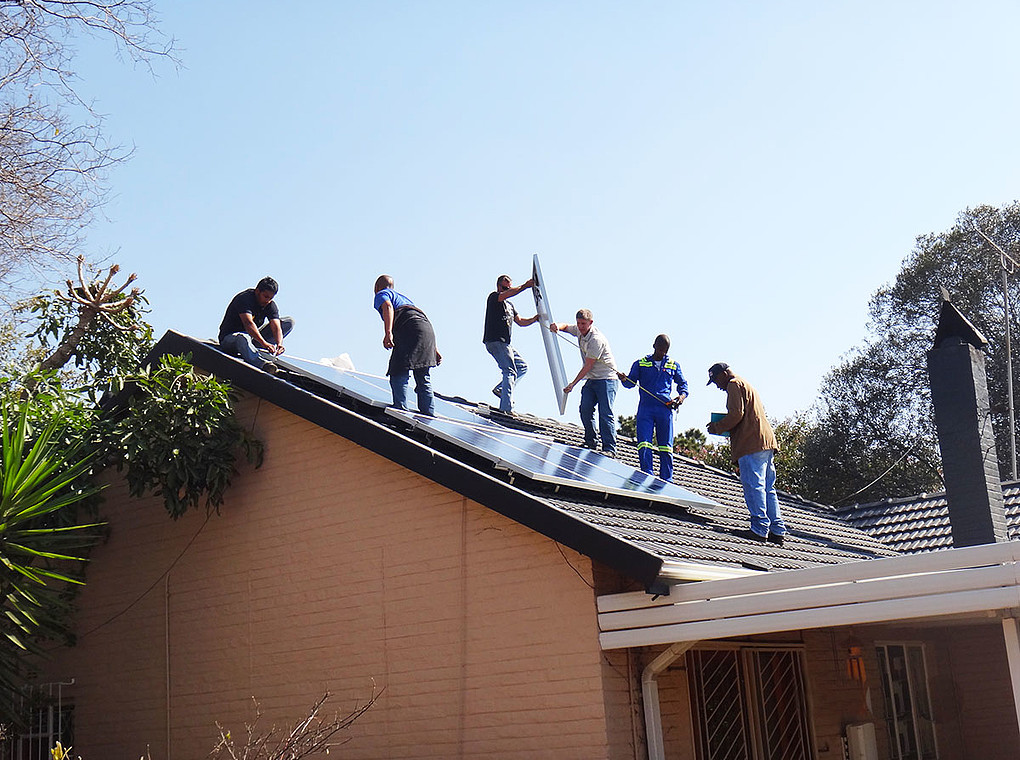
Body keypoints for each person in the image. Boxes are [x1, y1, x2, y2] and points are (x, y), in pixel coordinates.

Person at [705, 362, 787, 546]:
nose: (717, 386)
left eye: (716, 379)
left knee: (754, 485)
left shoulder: (733, 384)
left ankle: (759, 529)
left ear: (725, 373)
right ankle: (777, 530)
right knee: (768, 488)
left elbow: (736, 415)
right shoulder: (747, 384)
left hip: (751, 443)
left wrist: (717, 427)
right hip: (765, 442)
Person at [617, 334, 688, 481]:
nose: (662, 353)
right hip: (646, 409)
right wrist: (624, 379)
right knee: (644, 442)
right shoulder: (641, 363)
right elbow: (630, 383)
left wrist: (680, 398)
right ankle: (647, 473)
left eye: (665, 350)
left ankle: (666, 479)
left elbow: (683, 385)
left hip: (665, 409)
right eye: (660, 349)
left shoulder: (673, 364)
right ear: (654, 346)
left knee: (666, 446)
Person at [551, 309, 619, 455]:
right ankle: (591, 441)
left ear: (590, 323)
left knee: (605, 412)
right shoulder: (579, 330)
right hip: (592, 379)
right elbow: (566, 327)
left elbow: (588, 366)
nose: (580, 326)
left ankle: (610, 448)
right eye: (578, 323)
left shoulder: (596, 340)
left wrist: (572, 384)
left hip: (606, 379)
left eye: (583, 324)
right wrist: (557, 326)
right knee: (585, 408)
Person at [373, 275, 441, 415]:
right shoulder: (405, 299)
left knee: (398, 369)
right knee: (423, 376)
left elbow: (387, 306)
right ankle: (428, 416)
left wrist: (388, 332)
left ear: (377, 287)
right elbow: (420, 321)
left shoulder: (382, 294)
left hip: (410, 330)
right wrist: (434, 348)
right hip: (427, 332)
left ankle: (400, 411)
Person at [483, 274, 538, 412]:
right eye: (504, 288)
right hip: (496, 341)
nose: (506, 290)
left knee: (522, 367)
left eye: (508, 288)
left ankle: (502, 388)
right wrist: (525, 286)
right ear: (498, 286)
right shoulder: (494, 297)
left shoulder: (510, 305)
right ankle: (506, 408)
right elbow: (509, 294)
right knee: (509, 370)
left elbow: (520, 321)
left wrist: (535, 319)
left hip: (506, 344)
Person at [218, 276, 295, 373]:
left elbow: (276, 326)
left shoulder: (270, 305)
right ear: (257, 291)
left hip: (253, 339)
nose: (268, 301)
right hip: (231, 339)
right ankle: (263, 364)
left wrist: (279, 343)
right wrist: (264, 343)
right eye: (265, 297)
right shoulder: (244, 299)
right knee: (243, 337)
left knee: (289, 322)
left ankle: (253, 349)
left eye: (271, 298)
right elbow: (248, 323)